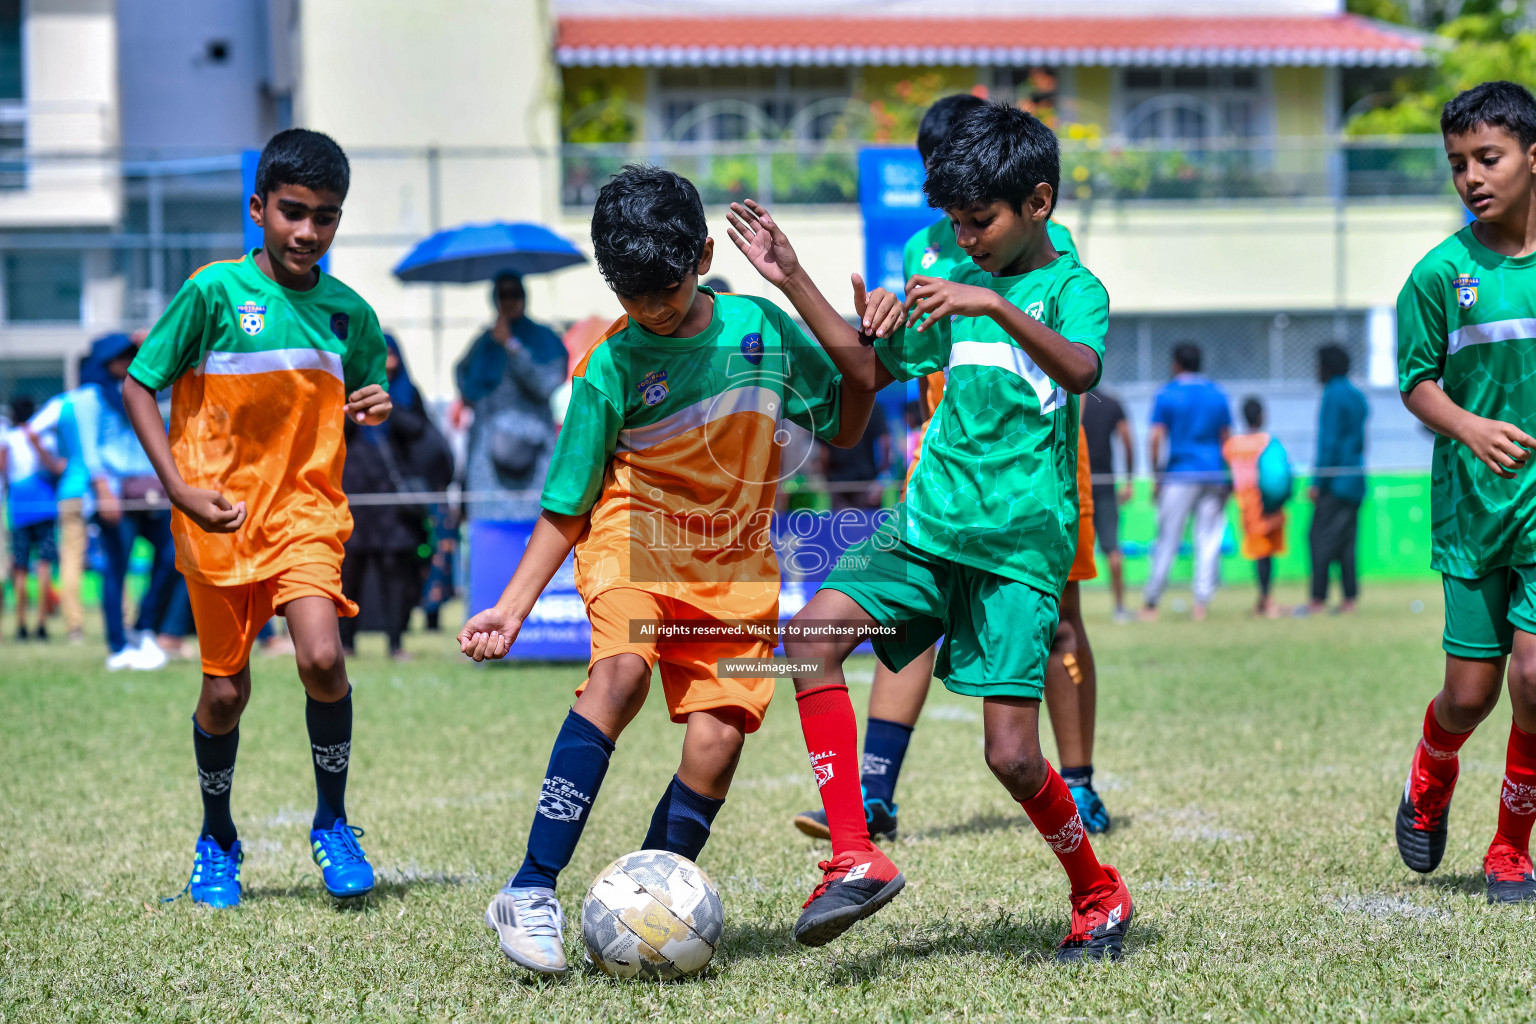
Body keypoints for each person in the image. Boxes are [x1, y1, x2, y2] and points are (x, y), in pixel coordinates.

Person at [459, 164, 879, 974]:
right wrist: (511, 608)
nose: (647, 308)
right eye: (629, 292)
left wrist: (822, 310)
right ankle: (530, 886)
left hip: (737, 571)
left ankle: (644, 905)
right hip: (634, 543)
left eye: (663, 289)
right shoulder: (608, 366)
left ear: (703, 256)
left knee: (716, 746)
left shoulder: (762, 328)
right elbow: (567, 503)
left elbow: (850, 417)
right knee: (619, 677)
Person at [757, 101, 1134, 962]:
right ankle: (854, 853)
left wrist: (990, 305)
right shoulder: (954, 283)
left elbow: (1083, 371)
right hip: (928, 529)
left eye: (980, 222)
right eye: (956, 224)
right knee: (809, 638)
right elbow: (866, 369)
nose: (964, 239)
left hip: (1016, 551)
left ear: (1038, 203)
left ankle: (1097, 890)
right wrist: (795, 279)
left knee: (1010, 757)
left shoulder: (1072, 289)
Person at [122, 128, 392, 908]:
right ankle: (217, 839)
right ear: (258, 209)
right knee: (225, 694)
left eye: (327, 217)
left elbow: (363, 395)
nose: (308, 232)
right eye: (293, 212)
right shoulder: (212, 292)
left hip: (306, 516)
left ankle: (333, 824)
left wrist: (373, 404)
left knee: (320, 659)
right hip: (219, 517)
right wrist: (178, 490)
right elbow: (141, 387)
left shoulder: (351, 316)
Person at [1391, 82, 1536, 904]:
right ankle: (1432, 767)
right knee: (1472, 693)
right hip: (1476, 509)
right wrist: (1471, 428)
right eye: (1458, 164)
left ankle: (1511, 848)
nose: (1472, 177)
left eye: (1489, 158)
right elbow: (1416, 384)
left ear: (1532, 157)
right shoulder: (1441, 275)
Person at [74, 333, 176, 671]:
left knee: (174, 555)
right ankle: (118, 645)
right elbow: (90, 448)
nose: (128, 362)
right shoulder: (89, 397)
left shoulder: (138, 390)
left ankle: (144, 628)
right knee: (116, 567)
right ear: (106, 360)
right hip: (116, 494)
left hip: (152, 490)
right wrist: (103, 491)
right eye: (122, 357)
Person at [339, 336, 430, 660]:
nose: (386, 360)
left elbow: (420, 432)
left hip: (393, 499)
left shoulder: (407, 392)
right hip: (354, 494)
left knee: (395, 572)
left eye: (390, 353)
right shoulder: (349, 389)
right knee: (350, 571)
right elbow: (336, 434)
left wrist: (386, 404)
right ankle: (346, 643)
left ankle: (395, 642)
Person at [455, 271, 567, 522]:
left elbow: (546, 384)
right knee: (490, 538)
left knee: (533, 534)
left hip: (530, 459)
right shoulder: (485, 340)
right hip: (487, 465)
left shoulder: (544, 338)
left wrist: (513, 346)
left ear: (525, 297)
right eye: (502, 295)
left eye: (515, 293)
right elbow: (464, 379)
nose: (510, 301)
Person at [1141, 343, 1232, 622]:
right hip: (1213, 473)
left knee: (1168, 538)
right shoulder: (1217, 394)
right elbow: (1227, 439)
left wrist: (1157, 475)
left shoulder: (1167, 393)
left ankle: (1152, 603)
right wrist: (1229, 476)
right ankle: (1200, 604)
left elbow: (1156, 437)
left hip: (1179, 474)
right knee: (1208, 539)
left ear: (1176, 364)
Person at [25, 384, 93, 643]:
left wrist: (53, 464)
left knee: (71, 560)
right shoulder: (108, 396)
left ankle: (75, 626)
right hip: (105, 487)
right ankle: (126, 620)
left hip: (72, 489)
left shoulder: (63, 403)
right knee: (114, 555)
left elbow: (31, 431)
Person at [1309, 343, 1368, 614]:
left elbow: (1328, 442)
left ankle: (1318, 600)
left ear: (1326, 367)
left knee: (1318, 537)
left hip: (1335, 480)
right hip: (1355, 479)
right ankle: (1349, 599)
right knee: (1346, 541)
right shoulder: (1356, 395)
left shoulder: (1332, 393)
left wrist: (1317, 482)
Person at [1223, 397, 1287, 617]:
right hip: (1265, 502)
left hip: (1245, 503)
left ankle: (1264, 598)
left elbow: (1227, 475)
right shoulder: (1267, 441)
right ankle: (1266, 598)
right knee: (1265, 554)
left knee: (1260, 553)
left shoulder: (1232, 445)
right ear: (1262, 416)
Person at [2, 397, 58, 640]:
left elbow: (4, 470)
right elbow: (52, 466)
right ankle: (42, 624)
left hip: (19, 503)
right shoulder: (44, 436)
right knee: (44, 564)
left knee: (21, 566)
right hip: (44, 501)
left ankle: (21, 624)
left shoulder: (8, 439)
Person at [1081, 390, 1135, 622]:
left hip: (1075, 481)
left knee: (1067, 549)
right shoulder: (1112, 402)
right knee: (1112, 547)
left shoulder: (1069, 400)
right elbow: (1127, 440)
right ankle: (1120, 608)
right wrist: (1129, 479)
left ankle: (1064, 610)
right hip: (1105, 483)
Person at [822, 406, 891, 510]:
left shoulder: (831, 408)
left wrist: (827, 476)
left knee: (840, 524)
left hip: (839, 482)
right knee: (869, 524)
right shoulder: (873, 407)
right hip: (866, 482)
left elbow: (823, 452)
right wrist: (882, 474)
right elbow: (885, 442)